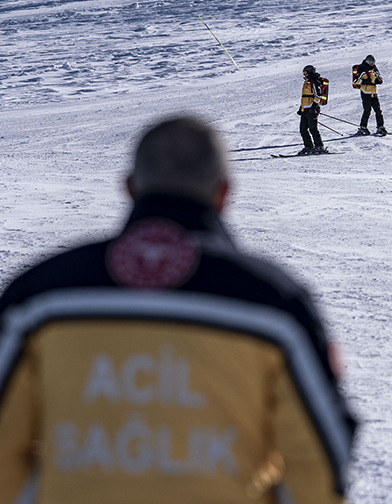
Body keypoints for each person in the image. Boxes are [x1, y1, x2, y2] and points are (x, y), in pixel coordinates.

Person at [0, 117, 355, 504]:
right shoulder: (273, 305)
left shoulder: (40, 297)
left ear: (130, 187)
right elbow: (321, 462)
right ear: (224, 194)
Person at [353, 55, 386, 136]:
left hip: (374, 93)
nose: (372, 64)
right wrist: (364, 82)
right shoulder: (362, 69)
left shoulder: (374, 69)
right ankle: (363, 127)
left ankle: (380, 127)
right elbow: (355, 81)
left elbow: (380, 78)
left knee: (378, 110)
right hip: (365, 93)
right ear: (367, 61)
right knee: (367, 111)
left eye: (373, 62)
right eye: (371, 62)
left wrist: (379, 81)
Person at [298, 65, 327, 155]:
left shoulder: (315, 82)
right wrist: (301, 108)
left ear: (310, 72)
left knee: (313, 129)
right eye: (303, 73)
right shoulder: (306, 81)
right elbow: (304, 97)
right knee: (303, 129)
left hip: (311, 109)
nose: (304, 75)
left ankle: (319, 146)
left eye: (306, 73)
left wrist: (314, 106)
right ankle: (308, 146)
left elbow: (318, 95)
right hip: (305, 109)